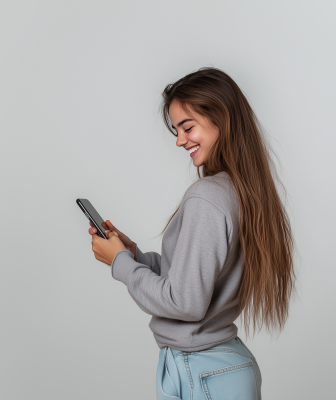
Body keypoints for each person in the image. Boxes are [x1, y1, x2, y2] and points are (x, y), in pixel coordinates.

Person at [88, 67, 296, 400]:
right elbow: (194, 278)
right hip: (219, 367)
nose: (179, 139)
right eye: (176, 129)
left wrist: (122, 265)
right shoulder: (240, 191)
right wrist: (131, 254)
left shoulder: (208, 197)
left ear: (222, 119)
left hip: (202, 371)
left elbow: (186, 303)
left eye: (187, 127)